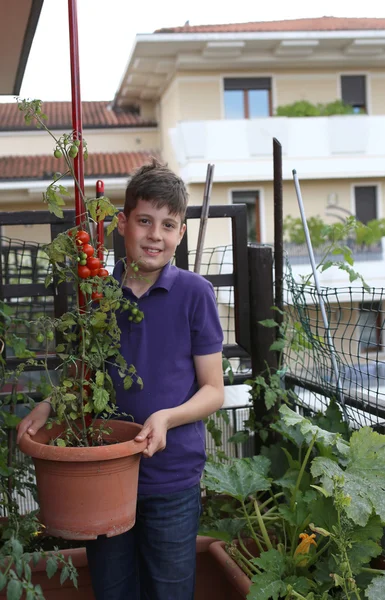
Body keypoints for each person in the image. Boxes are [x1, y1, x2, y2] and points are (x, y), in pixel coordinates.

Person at [17, 159, 224, 600]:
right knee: (113, 592)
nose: (155, 234)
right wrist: (49, 404)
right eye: (145, 221)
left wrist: (167, 417)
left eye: (168, 225)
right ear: (122, 223)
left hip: (171, 479)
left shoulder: (195, 294)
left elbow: (213, 390)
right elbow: (81, 373)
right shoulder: (98, 293)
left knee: (170, 592)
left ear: (180, 234)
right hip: (103, 473)